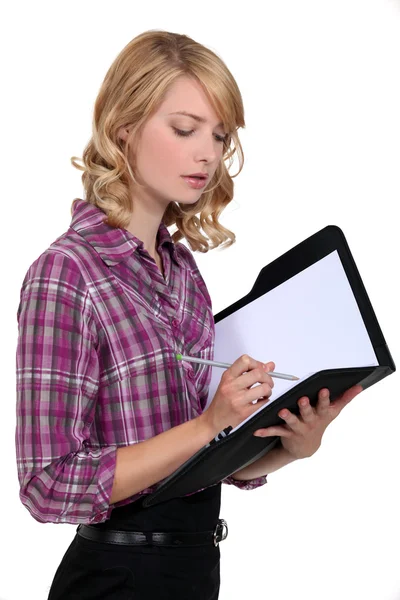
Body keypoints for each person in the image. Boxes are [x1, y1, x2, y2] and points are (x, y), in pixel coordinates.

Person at [15, 30, 362, 600]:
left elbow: (203, 462)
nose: (208, 152)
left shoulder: (182, 273)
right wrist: (206, 424)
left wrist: (285, 450)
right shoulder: (67, 273)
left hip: (196, 572)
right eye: (184, 129)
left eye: (220, 136)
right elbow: (47, 486)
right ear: (124, 125)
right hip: (115, 580)